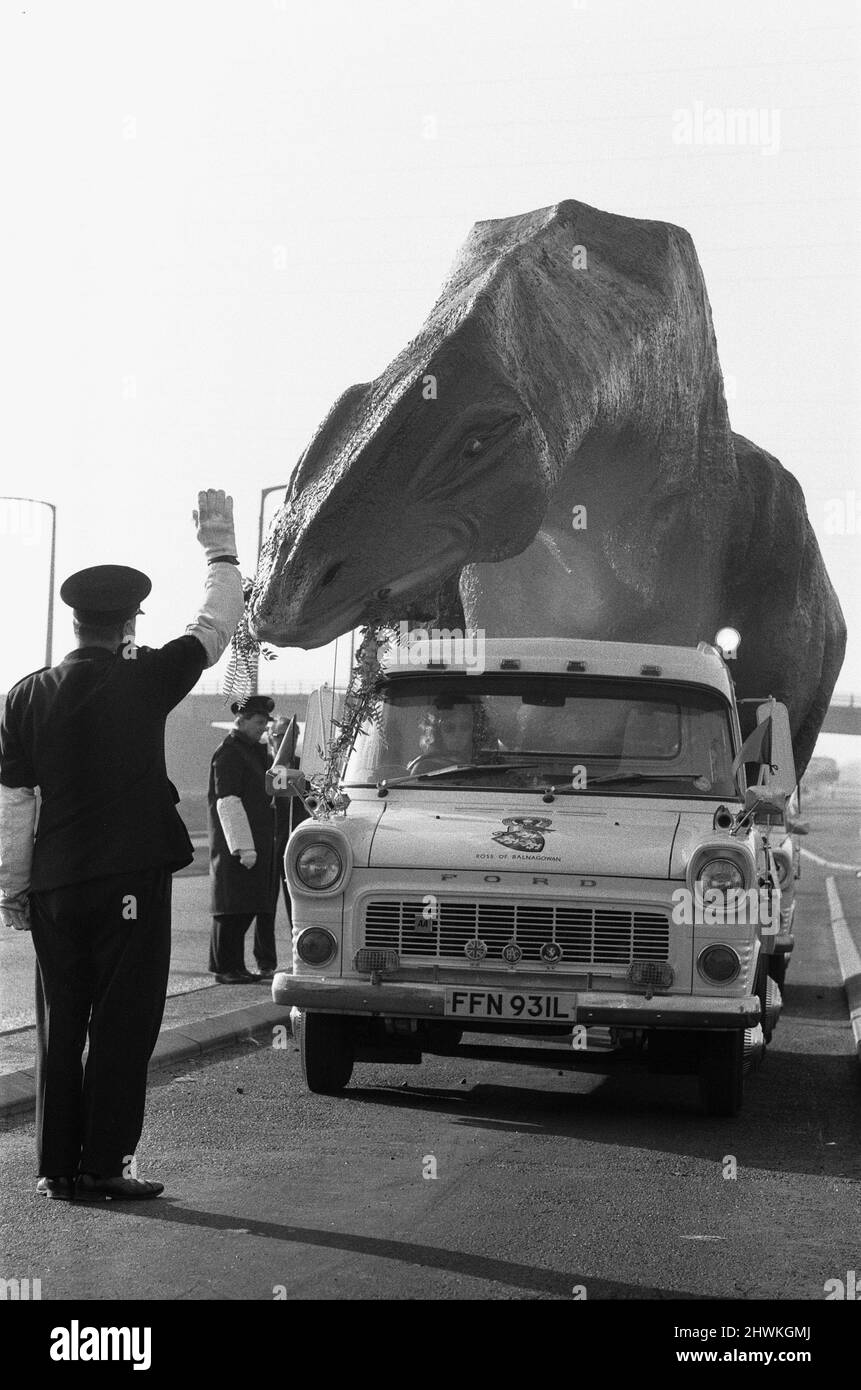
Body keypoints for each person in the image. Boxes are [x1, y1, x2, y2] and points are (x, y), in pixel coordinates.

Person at [0, 489, 244, 1202]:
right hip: (131, 876)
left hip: (55, 883)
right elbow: (215, 624)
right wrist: (218, 545)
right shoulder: (147, 678)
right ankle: (105, 1164)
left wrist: (14, 887)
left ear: (74, 622)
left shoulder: (22, 694)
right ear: (130, 622)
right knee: (123, 1022)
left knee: (60, 1020)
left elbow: (15, 804)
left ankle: (54, 1168)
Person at [207, 695, 281, 983]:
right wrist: (243, 846)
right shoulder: (229, 753)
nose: (263, 728)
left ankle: (234, 966)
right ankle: (225, 968)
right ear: (242, 719)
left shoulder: (250, 751)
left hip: (253, 840)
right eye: (259, 722)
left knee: (243, 905)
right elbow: (228, 801)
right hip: (236, 843)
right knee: (230, 907)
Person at [408, 696, 483, 774]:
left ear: (474, 730)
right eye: (449, 728)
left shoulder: (488, 764)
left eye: (465, 727)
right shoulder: (426, 767)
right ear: (437, 732)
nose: (458, 734)